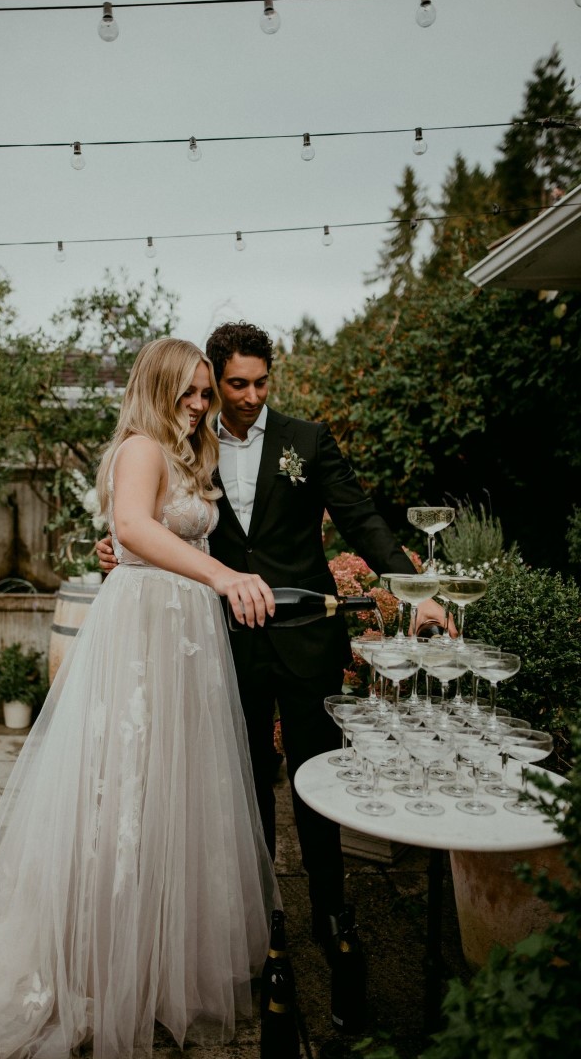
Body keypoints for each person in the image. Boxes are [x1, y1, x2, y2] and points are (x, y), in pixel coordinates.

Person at [0, 338, 280, 1059]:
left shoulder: (190, 453)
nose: (201, 405)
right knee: (122, 794)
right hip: (143, 635)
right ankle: (94, 965)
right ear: (157, 388)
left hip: (187, 640)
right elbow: (137, 530)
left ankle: (158, 960)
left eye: (206, 394)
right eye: (191, 392)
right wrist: (219, 573)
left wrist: (204, 571)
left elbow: (154, 534)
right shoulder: (142, 446)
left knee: (174, 796)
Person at [98, 321, 448, 960]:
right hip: (225, 641)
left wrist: (419, 592)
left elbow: (361, 519)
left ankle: (331, 909)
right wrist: (122, 547)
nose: (251, 395)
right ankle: (258, 915)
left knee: (319, 778)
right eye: (236, 383)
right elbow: (151, 519)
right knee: (241, 781)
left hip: (308, 640)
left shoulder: (306, 441)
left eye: (262, 382)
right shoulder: (186, 442)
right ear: (211, 378)